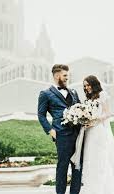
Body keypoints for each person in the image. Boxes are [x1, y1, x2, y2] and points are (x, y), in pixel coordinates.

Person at [80, 75, 114, 194]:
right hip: (89, 132)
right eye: (85, 86)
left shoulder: (102, 95)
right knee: (90, 160)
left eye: (88, 85)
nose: (87, 88)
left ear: (94, 84)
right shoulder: (88, 99)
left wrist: (94, 120)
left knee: (100, 160)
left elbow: (108, 113)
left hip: (98, 131)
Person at [37, 64, 83, 194]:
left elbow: (79, 108)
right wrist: (51, 131)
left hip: (78, 134)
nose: (67, 78)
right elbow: (41, 115)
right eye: (65, 75)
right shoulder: (45, 94)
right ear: (57, 76)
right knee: (62, 167)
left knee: (78, 167)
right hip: (61, 135)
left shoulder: (73, 92)